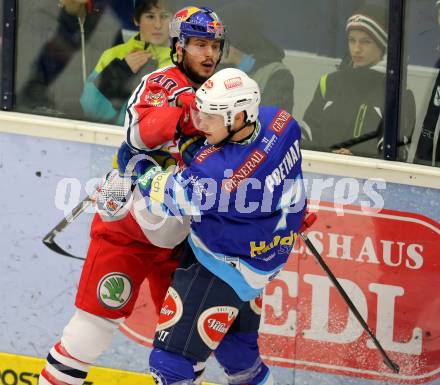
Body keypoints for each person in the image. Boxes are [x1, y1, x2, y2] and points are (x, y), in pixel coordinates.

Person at [37, 6, 226, 385]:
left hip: (184, 237)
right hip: (129, 224)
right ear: (178, 46)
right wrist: (188, 110)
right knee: (89, 331)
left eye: (214, 46)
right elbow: (142, 135)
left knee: (187, 346)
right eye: (199, 44)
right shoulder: (163, 83)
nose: (208, 54)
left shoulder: (223, 94)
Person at [133, 68, 307, 385]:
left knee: (169, 364)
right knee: (242, 363)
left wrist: (140, 169)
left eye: (211, 117)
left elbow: (167, 198)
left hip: (218, 267)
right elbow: (276, 173)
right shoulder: (281, 122)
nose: (201, 124)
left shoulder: (216, 173)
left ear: (240, 116)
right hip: (265, 258)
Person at [302, 5, 415, 158]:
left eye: (366, 42)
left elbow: (397, 154)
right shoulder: (328, 83)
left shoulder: (398, 93)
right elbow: (305, 136)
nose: (356, 49)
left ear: (383, 45)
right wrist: (330, 155)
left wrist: (356, 159)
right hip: (320, 176)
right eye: (351, 40)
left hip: (369, 180)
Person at [79, 0, 173, 125]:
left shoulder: (183, 61)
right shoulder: (113, 55)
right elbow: (91, 111)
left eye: (165, 16)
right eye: (150, 16)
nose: (158, 24)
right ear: (136, 20)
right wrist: (118, 73)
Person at [218, 2, 295, 113]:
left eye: (221, 37)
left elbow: (271, 124)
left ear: (237, 37)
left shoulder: (277, 75)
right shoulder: (216, 67)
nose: (214, 45)